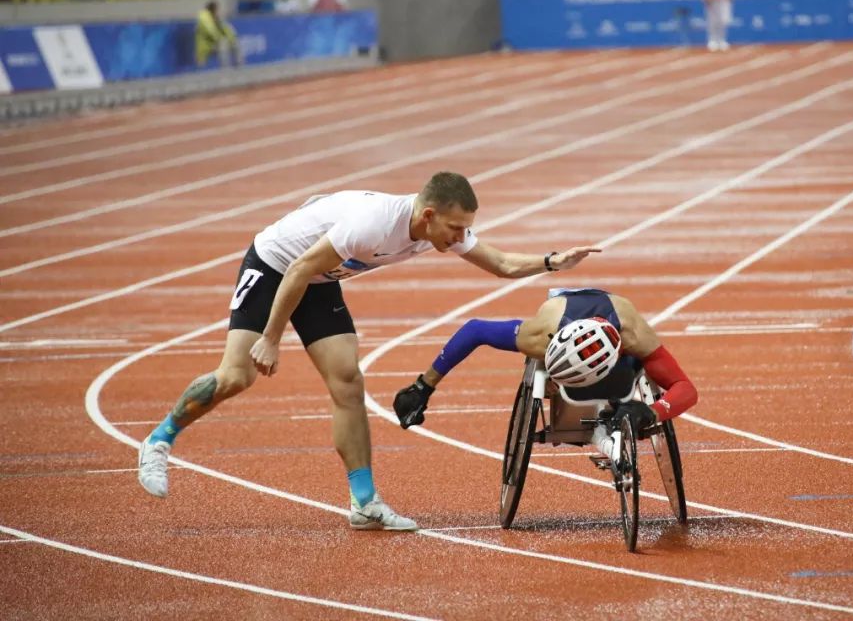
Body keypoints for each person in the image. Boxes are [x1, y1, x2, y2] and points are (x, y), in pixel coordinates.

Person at [137, 172, 600, 532]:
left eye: (466, 231)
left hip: (320, 280)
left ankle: (364, 503)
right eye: (456, 228)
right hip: (279, 265)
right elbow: (297, 269)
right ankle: (159, 439)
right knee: (238, 375)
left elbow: (498, 264)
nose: (461, 239)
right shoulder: (372, 226)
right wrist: (271, 338)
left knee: (348, 381)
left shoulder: (436, 227)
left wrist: (550, 261)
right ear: (429, 214)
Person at [393, 288, 699, 463]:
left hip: (617, 358)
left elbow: (685, 388)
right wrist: (423, 386)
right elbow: (475, 330)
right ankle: (574, 396)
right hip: (559, 341)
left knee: (632, 380)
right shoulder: (541, 334)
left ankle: (611, 407)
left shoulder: (633, 332)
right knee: (545, 378)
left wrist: (650, 411)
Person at [195, 0, 242, 68]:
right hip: (205, 45)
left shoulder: (217, 18)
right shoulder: (204, 17)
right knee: (222, 45)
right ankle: (225, 69)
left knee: (235, 43)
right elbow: (210, 32)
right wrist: (220, 39)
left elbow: (226, 29)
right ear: (212, 9)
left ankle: (238, 66)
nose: (218, 11)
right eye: (216, 9)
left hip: (215, 43)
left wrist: (232, 38)